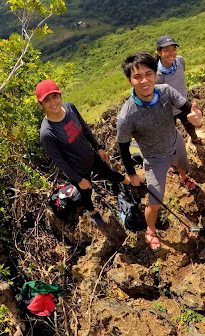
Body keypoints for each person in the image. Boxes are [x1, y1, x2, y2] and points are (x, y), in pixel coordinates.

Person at [116, 52, 203, 250]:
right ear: (130, 80)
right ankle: (151, 230)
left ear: (155, 74)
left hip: (176, 141)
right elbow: (123, 147)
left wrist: (196, 115)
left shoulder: (165, 91)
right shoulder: (126, 116)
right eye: (137, 77)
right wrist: (131, 174)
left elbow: (188, 108)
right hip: (154, 159)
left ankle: (183, 177)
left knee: (183, 166)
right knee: (154, 203)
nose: (144, 80)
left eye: (149, 74)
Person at [36, 79, 133, 228]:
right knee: (86, 193)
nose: (53, 102)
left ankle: (130, 183)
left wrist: (98, 148)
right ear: (41, 104)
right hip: (77, 169)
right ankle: (93, 212)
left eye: (55, 96)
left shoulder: (70, 108)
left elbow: (85, 129)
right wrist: (79, 179)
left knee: (110, 173)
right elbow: (59, 161)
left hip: (91, 156)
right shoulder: (47, 133)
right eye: (47, 100)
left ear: (60, 95)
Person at [155, 34, 205, 145]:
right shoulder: (156, 74)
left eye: (174, 49)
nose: (172, 53)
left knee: (189, 124)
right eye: (167, 50)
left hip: (183, 103)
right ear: (158, 52)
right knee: (170, 133)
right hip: (167, 111)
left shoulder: (180, 61)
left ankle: (195, 139)